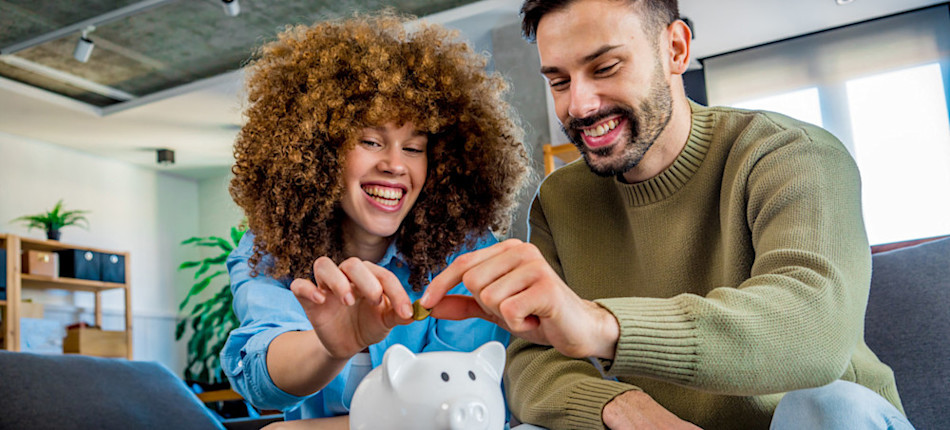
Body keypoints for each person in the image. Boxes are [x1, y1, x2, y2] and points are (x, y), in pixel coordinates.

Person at [420, 0, 913, 429]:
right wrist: (621, 406)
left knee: (830, 408)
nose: (580, 104)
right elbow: (532, 361)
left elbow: (815, 330)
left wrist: (602, 324)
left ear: (676, 49)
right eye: (559, 81)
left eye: (606, 67)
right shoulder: (561, 200)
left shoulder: (790, 154)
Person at [220, 12, 529, 427]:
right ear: (318, 150)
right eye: (370, 141)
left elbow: (466, 405)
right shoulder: (270, 251)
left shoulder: (469, 255)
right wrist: (332, 347)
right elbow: (261, 375)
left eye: (415, 148)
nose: (395, 165)